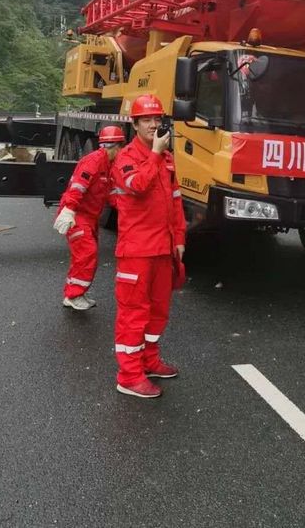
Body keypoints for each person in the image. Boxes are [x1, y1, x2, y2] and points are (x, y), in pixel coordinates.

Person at [111, 94, 186, 399]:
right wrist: (155, 154)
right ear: (135, 123)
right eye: (146, 120)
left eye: (157, 119)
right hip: (137, 251)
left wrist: (179, 240)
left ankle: (149, 361)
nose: (154, 124)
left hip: (163, 248)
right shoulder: (126, 158)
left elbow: (176, 202)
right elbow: (137, 187)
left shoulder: (168, 160)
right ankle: (128, 376)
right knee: (133, 314)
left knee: (158, 311)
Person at [53, 126, 126, 310]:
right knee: (86, 255)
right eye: (121, 147)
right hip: (77, 215)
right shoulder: (93, 162)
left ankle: (74, 293)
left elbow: (110, 193)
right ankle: (73, 295)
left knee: (83, 257)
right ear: (116, 147)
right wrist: (69, 210)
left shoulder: (108, 165)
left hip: (89, 217)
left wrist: (128, 208)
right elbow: (77, 188)